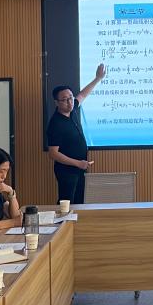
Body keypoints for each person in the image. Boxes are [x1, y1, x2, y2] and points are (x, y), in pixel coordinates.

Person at [47, 64, 106, 205]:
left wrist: (98, 78)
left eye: (71, 97)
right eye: (65, 100)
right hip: (67, 171)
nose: (70, 102)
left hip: (80, 167)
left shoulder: (72, 110)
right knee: (67, 202)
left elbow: (83, 94)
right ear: (56, 102)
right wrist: (78, 163)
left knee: (80, 201)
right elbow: (53, 154)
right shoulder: (56, 123)